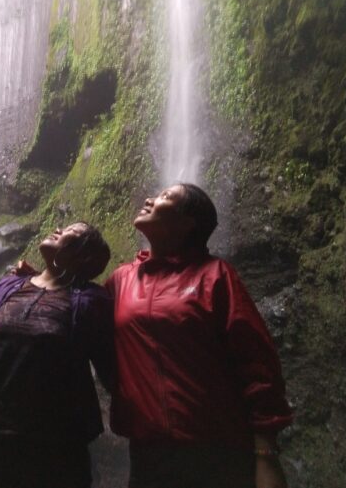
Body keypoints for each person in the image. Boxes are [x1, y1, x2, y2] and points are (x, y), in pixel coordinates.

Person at [106, 183, 293, 488]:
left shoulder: (215, 276)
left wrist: (265, 452)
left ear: (187, 222)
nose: (150, 199)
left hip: (217, 451)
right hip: (147, 452)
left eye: (166, 197)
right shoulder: (122, 280)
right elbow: (87, 318)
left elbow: (257, 362)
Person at [0, 222, 114, 488]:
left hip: (53, 454)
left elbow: (112, 366)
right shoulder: (6, 287)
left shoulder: (91, 302)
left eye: (71, 233)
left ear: (83, 256)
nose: (58, 230)